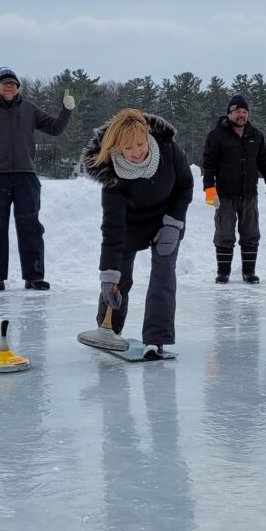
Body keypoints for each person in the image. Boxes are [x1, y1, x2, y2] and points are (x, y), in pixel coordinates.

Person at [79, 108, 193, 359]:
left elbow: (185, 185)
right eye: (128, 148)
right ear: (116, 148)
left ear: (147, 135)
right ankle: (107, 329)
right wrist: (108, 275)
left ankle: (156, 338)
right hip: (128, 225)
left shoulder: (168, 150)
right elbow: (112, 227)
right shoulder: (112, 175)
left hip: (165, 221)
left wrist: (174, 224)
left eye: (140, 144)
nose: (137, 152)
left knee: (163, 276)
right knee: (119, 280)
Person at [0, 67, 74, 292]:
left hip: (26, 177)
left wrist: (67, 110)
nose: (9, 86)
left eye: (13, 84)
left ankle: (34, 276)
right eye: (5, 83)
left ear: (18, 88)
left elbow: (54, 128)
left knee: (31, 227)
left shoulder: (29, 109)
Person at [200, 93, 266, 284]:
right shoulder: (216, 135)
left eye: (245, 112)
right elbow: (208, 164)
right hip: (225, 195)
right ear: (229, 113)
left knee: (251, 234)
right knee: (224, 234)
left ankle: (249, 273)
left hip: (249, 194)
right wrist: (209, 190)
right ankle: (223, 273)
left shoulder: (256, 135)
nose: (242, 115)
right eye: (238, 112)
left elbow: (264, 162)